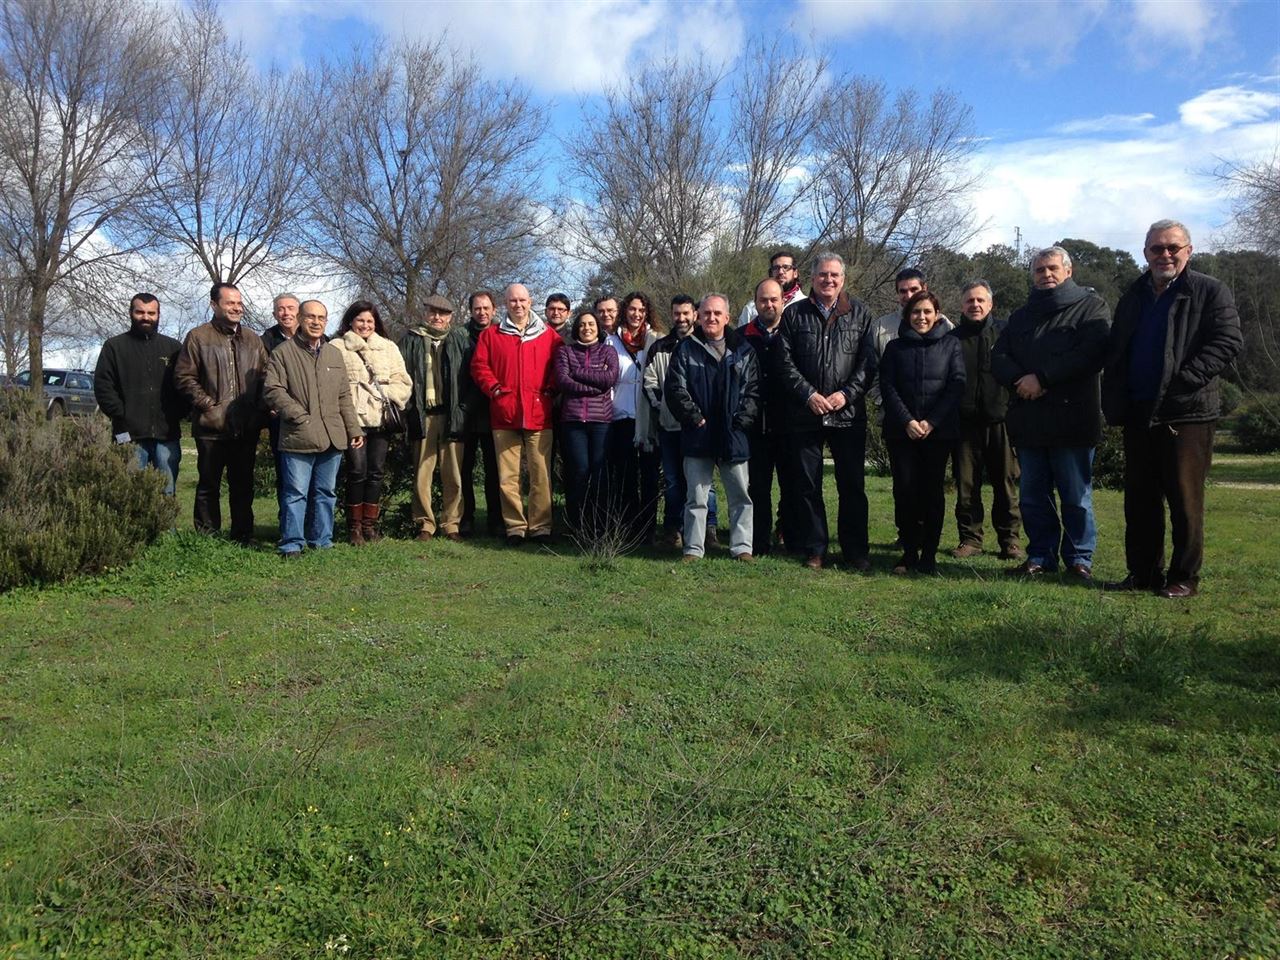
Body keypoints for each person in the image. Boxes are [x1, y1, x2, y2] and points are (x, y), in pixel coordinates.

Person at [1102, 219, 1244, 598]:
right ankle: (1143, 574)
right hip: (1138, 412)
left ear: (1188, 251)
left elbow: (1228, 340)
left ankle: (1183, 578)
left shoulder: (1209, 291)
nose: (1165, 254)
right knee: (1140, 499)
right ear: (1145, 252)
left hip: (1187, 413)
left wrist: (1186, 379)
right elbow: (1118, 348)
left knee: (1184, 500)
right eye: (1156, 248)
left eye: (1173, 248)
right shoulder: (1134, 295)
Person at [992, 246, 1110, 580]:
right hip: (1030, 420)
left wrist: (1042, 378)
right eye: (1039, 270)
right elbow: (999, 357)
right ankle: (1040, 556)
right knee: (1032, 496)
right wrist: (1021, 380)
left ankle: (1078, 558)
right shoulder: (1021, 316)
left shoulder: (1091, 307)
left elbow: (1091, 352)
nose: (1046, 275)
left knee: (1075, 496)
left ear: (1068, 271)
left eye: (1052, 269)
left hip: (1073, 420)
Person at [774, 251, 877, 571]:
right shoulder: (794, 314)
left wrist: (847, 394)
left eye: (834, 275)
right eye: (822, 275)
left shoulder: (860, 313)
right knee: (807, 485)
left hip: (847, 415)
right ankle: (815, 548)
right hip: (806, 414)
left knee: (852, 486)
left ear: (843, 279)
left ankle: (855, 551)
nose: (828, 280)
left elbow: (868, 362)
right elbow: (784, 362)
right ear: (813, 277)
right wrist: (808, 394)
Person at [262, 300, 363, 557]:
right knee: (295, 494)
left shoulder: (333, 354)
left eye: (321, 318)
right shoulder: (283, 353)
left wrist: (353, 430)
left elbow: (344, 397)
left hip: (332, 437)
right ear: (299, 319)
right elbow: (273, 390)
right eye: (310, 317)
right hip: (299, 435)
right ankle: (292, 544)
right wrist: (299, 415)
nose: (316, 322)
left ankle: (322, 541)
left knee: (326, 493)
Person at [665, 293, 760, 561]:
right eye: (706, 313)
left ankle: (742, 548)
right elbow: (675, 390)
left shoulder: (744, 350)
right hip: (698, 432)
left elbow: (753, 391)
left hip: (734, 433)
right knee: (696, 496)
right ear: (698, 316)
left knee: (741, 496)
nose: (711, 318)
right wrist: (694, 418)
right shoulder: (685, 349)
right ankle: (693, 549)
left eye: (717, 313)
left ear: (727, 318)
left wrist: (742, 421)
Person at [174, 282, 268, 544]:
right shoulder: (198, 337)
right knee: (208, 486)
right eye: (230, 303)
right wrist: (208, 406)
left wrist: (257, 411)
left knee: (243, 487)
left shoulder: (253, 339)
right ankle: (207, 538)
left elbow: (265, 377)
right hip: (211, 427)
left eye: (239, 303)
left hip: (245, 426)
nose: (237, 308)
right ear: (214, 305)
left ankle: (243, 536)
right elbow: (184, 377)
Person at [880, 291, 966, 574]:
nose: (921, 317)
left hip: (937, 434)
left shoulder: (951, 344)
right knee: (905, 492)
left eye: (927, 311)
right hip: (901, 433)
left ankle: (929, 554)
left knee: (932, 493)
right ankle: (909, 552)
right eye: (916, 312)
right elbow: (888, 387)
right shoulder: (894, 348)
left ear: (937, 314)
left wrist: (931, 422)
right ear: (907, 315)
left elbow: (956, 385)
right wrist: (907, 421)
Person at [470, 283, 563, 544]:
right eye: (513, 301)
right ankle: (515, 527)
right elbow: (479, 366)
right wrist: (495, 390)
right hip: (504, 415)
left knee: (540, 474)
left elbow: (560, 366)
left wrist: (550, 390)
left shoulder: (549, 336)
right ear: (505, 304)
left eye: (522, 300)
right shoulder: (491, 335)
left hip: (538, 414)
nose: (518, 305)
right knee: (508, 477)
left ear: (530, 302)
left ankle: (541, 526)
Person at [949, 280, 1023, 560]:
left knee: (1006, 485)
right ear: (962, 305)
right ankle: (970, 539)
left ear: (990, 304)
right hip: (965, 425)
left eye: (980, 300)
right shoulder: (952, 340)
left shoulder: (1006, 334)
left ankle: (1010, 540)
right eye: (970, 301)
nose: (975, 305)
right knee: (967, 487)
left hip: (1001, 422)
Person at [330, 300, 412, 544]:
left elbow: (403, 380)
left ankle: (370, 526)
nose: (365, 325)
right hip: (354, 419)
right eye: (360, 320)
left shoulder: (388, 347)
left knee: (376, 473)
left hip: (381, 419)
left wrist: (387, 396)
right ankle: (353, 528)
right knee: (357, 471)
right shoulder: (336, 346)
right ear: (351, 321)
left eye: (369, 321)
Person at [642, 294, 718, 548]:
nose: (682, 318)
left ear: (695, 314)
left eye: (686, 313)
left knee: (704, 482)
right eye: (677, 313)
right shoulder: (660, 347)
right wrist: (665, 406)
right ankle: (674, 529)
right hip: (671, 426)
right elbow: (649, 382)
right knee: (674, 481)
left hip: (701, 426)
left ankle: (709, 529)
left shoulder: (707, 343)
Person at [93, 292, 186, 496]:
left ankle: (165, 529)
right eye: (140, 312)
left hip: (166, 434)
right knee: (130, 491)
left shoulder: (173, 348)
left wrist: (177, 412)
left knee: (167, 490)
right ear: (131, 313)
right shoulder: (114, 347)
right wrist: (121, 414)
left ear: (158, 315)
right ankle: (133, 529)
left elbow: (185, 384)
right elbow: (103, 385)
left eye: (151, 313)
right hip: (129, 435)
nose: (146, 317)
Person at [399, 294, 471, 542]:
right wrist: (408, 409)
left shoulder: (460, 339)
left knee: (453, 473)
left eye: (443, 313)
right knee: (422, 472)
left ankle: (451, 524)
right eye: (433, 312)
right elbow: (401, 377)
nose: (437, 318)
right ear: (425, 313)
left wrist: (463, 409)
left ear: (450, 316)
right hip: (423, 414)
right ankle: (425, 525)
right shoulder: (410, 339)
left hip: (452, 415)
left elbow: (471, 377)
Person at [554, 311, 619, 534]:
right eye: (582, 324)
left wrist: (578, 372)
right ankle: (577, 524)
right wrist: (594, 383)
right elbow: (563, 380)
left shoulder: (608, 350)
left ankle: (600, 525)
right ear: (576, 328)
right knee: (578, 472)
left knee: (600, 473)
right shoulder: (565, 351)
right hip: (572, 421)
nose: (587, 328)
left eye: (591, 324)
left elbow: (610, 379)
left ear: (597, 327)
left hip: (602, 421)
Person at [605, 291, 662, 541]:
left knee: (649, 475)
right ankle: (628, 525)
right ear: (624, 311)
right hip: (621, 416)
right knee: (625, 474)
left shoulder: (656, 339)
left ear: (647, 312)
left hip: (648, 417)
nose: (636, 314)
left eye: (641, 310)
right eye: (631, 309)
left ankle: (648, 527)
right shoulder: (611, 341)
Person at [741, 278, 791, 556]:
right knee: (757, 488)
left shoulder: (795, 333)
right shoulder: (741, 336)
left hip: (789, 423)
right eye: (763, 300)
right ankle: (758, 542)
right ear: (755, 302)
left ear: (782, 300)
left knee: (792, 486)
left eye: (774, 299)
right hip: (755, 425)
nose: (769, 304)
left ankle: (790, 537)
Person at [869, 268, 952, 412]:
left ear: (924, 288)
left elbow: (954, 372)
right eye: (903, 291)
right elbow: (870, 370)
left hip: (937, 416)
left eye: (914, 289)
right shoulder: (881, 327)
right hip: (893, 416)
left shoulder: (944, 325)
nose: (909, 295)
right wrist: (882, 400)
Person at [459, 291, 503, 537]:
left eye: (486, 308)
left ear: (494, 310)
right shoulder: (460, 336)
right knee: (464, 469)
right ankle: (466, 518)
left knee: (494, 470)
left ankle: (496, 519)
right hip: (466, 411)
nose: (482, 312)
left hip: (493, 411)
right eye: (477, 308)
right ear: (471, 310)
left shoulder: (501, 334)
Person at [262, 293, 302, 512]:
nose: (286, 313)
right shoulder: (265, 341)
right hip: (281, 416)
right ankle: (287, 519)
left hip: (312, 415)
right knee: (286, 471)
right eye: (280, 309)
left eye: (290, 308)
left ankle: (310, 522)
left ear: (299, 311)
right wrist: (273, 406)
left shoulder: (317, 338)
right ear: (274, 313)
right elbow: (262, 378)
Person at [737, 249, 807, 326]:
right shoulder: (752, 308)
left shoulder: (807, 307)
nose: (780, 272)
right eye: (776, 268)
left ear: (795, 273)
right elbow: (740, 336)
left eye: (786, 267)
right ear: (771, 273)